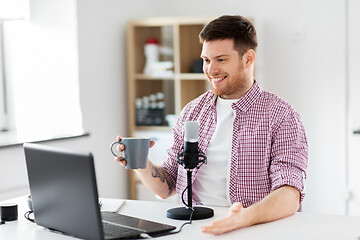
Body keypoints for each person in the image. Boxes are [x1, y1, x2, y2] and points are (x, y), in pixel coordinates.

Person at [115, 15, 308, 235]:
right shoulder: (193, 111)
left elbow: (290, 193)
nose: (211, 69)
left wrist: (245, 217)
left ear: (248, 59)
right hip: (197, 228)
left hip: (256, 227)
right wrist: (139, 162)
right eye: (206, 60)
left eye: (221, 59)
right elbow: (167, 186)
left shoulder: (281, 115)